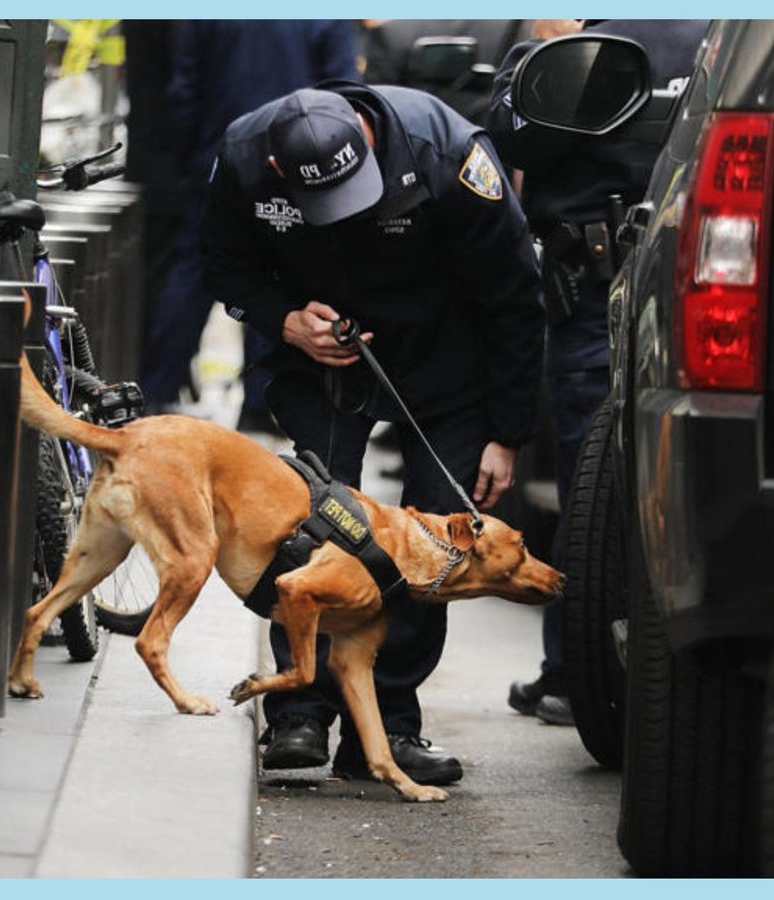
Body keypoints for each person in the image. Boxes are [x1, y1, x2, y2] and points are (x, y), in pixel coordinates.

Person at [199, 82, 543, 785]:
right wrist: (286, 319)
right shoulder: (240, 155)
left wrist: (506, 433)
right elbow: (223, 265)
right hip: (319, 362)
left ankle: (387, 726)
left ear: (370, 138)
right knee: (311, 534)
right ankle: (300, 712)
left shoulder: (446, 154)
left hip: (445, 362)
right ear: (276, 172)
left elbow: (515, 296)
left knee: (434, 552)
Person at [486, 19, 709, 725]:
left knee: (596, 480)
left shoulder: (579, 43)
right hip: (700, 287)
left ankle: (571, 671)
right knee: (684, 478)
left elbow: (510, 133)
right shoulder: (732, 34)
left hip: (596, 292)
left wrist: (545, 52)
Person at [142, 21, 358, 425]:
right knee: (279, 276)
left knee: (193, 274)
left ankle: (157, 390)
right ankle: (260, 403)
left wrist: (192, 159)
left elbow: (183, 89)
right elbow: (344, 91)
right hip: (299, 160)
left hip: (217, 154)